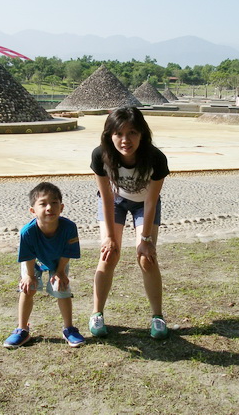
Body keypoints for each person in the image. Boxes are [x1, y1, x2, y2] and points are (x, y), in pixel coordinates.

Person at [88, 107, 170, 339]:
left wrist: (145, 240)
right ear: (109, 135)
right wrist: (109, 238)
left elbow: (152, 201)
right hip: (114, 202)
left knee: (147, 258)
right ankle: (97, 313)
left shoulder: (155, 158)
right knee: (109, 254)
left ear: (142, 134)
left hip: (144, 204)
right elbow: (105, 196)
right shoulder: (100, 154)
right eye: (119, 134)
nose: (125, 140)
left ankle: (157, 317)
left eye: (132, 133)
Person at [3, 182, 85, 348]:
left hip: (58, 261)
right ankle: (22, 329)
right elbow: (27, 256)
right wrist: (29, 276)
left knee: (62, 288)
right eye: (43, 204)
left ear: (61, 207)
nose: (49, 208)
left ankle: (69, 328)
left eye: (54, 203)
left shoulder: (69, 227)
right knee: (28, 288)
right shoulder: (27, 232)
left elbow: (67, 253)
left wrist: (61, 272)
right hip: (33, 261)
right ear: (33, 210)